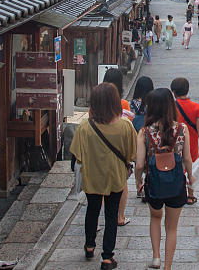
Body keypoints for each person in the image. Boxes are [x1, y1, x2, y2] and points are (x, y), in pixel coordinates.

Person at [70, 83, 136, 270]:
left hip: (92, 177)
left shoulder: (85, 127)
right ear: (116, 102)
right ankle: (107, 257)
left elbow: (77, 154)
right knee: (111, 214)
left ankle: (90, 246)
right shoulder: (125, 126)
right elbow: (131, 154)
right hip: (115, 177)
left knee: (92, 210)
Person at [135, 88, 195, 270]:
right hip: (176, 183)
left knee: (155, 218)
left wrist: (138, 181)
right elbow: (187, 159)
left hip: (154, 183)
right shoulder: (182, 129)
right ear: (171, 105)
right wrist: (190, 177)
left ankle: (156, 257)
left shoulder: (144, 132)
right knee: (172, 227)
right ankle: (167, 266)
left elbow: (138, 164)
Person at [103, 67, 133, 226]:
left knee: (99, 184)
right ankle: (120, 217)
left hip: (100, 149)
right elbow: (129, 127)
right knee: (121, 182)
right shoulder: (123, 104)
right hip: (119, 150)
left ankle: (96, 223)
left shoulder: (96, 102)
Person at [171, 77, 199, 205]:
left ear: (173, 92)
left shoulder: (172, 107)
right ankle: (190, 195)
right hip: (192, 142)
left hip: (176, 142)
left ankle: (177, 192)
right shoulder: (197, 107)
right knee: (193, 167)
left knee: (178, 165)